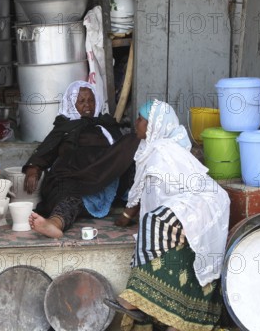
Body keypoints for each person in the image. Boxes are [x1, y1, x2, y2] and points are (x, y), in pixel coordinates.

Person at [104, 99, 230, 331]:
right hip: (188, 204)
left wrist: (124, 218)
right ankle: (162, 312)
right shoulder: (151, 148)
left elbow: (149, 197)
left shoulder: (161, 151)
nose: (137, 123)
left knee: (153, 223)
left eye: (142, 120)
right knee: (156, 230)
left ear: (154, 125)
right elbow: (148, 193)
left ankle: (136, 300)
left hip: (204, 204)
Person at [23, 80, 140, 238]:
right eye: (82, 101)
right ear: (71, 104)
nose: (88, 105)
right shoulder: (64, 128)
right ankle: (54, 224)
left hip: (104, 179)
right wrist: (33, 168)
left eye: (91, 100)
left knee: (133, 141)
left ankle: (136, 208)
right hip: (74, 178)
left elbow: (120, 154)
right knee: (70, 200)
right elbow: (46, 150)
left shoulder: (106, 124)